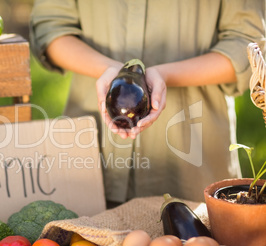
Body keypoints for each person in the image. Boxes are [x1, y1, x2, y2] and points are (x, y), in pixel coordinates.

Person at [29, 0, 266, 205]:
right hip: (88, 153)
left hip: (192, 160)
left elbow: (247, 43)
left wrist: (163, 75)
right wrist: (113, 71)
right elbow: (50, 28)